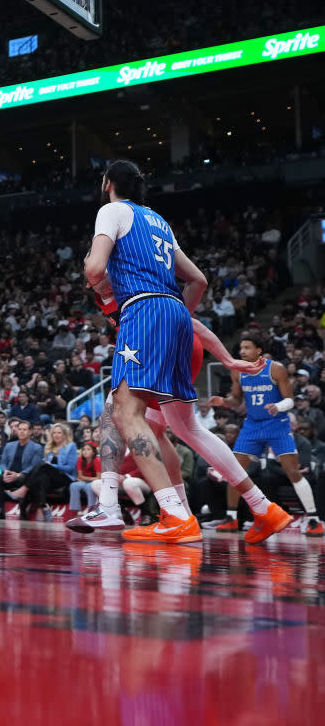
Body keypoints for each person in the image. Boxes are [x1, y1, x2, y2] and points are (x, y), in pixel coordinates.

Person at [83, 159, 289, 544]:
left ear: (108, 183)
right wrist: (191, 332)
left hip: (148, 316)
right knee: (182, 427)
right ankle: (263, 508)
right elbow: (198, 279)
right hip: (177, 319)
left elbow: (95, 268)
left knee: (126, 414)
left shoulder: (111, 211)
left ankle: (170, 514)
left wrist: (95, 275)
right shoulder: (159, 221)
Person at [207, 335, 322, 536]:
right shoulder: (238, 371)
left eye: (247, 347)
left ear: (258, 350)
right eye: (241, 347)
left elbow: (290, 400)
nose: (242, 351)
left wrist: (278, 406)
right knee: (234, 471)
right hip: (252, 425)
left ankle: (313, 519)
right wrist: (224, 402)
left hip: (277, 425)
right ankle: (231, 518)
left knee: (292, 471)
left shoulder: (275, 368)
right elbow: (236, 400)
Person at [0, 422, 43, 518]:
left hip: (25, 477)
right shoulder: (9, 446)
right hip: (9, 475)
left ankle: (23, 511)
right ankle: (0, 510)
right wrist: (5, 471)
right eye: (20, 429)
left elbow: (34, 466)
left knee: (29, 480)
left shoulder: (37, 447)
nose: (22, 432)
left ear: (30, 432)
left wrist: (18, 475)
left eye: (24, 429)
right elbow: (3, 462)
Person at [68, 442, 100, 513]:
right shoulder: (80, 459)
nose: (85, 451)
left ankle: (92, 510)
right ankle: (77, 511)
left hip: (94, 482)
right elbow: (79, 476)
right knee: (73, 485)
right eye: (83, 450)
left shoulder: (97, 460)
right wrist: (84, 478)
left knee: (89, 487)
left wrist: (84, 478)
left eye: (88, 449)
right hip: (85, 481)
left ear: (94, 452)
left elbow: (98, 477)